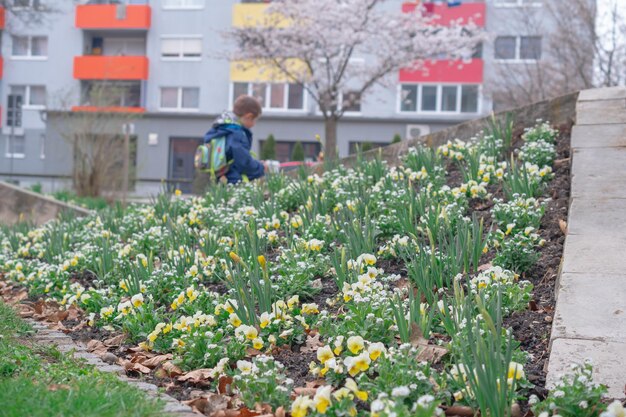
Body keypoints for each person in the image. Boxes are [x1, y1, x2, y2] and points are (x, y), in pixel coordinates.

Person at [203, 95, 266, 184]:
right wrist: (261, 167)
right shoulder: (237, 133)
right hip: (232, 179)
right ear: (249, 116)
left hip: (218, 177)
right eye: (255, 120)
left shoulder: (222, 127)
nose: (254, 124)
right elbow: (243, 162)